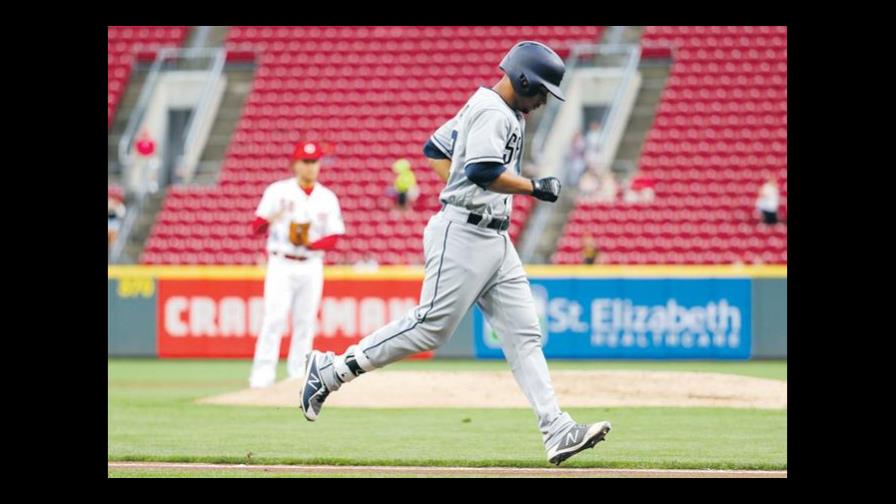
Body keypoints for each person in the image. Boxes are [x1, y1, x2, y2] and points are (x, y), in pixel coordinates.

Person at [299, 41, 611, 466]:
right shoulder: (491, 111)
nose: (542, 100)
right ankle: (332, 371)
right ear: (523, 80)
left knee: (524, 335)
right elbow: (481, 170)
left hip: (495, 238)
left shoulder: (493, 107)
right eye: (540, 90)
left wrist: (465, 187)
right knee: (431, 327)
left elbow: (436, 149)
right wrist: (532, 187)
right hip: (464, 234)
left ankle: (556, 429)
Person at [248, 141, 346, 389]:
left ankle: (298, 376)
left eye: (315, 161)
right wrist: (271, 218)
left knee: (305, 322)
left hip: (311, 265)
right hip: (281, 262)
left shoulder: (327, 197)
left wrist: (310, 245)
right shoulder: (277, 191)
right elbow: (256, 227)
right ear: (295, 164)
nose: (311, 166)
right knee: (274, 319)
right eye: (306, 161)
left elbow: (334, 237)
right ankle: (262, 376)